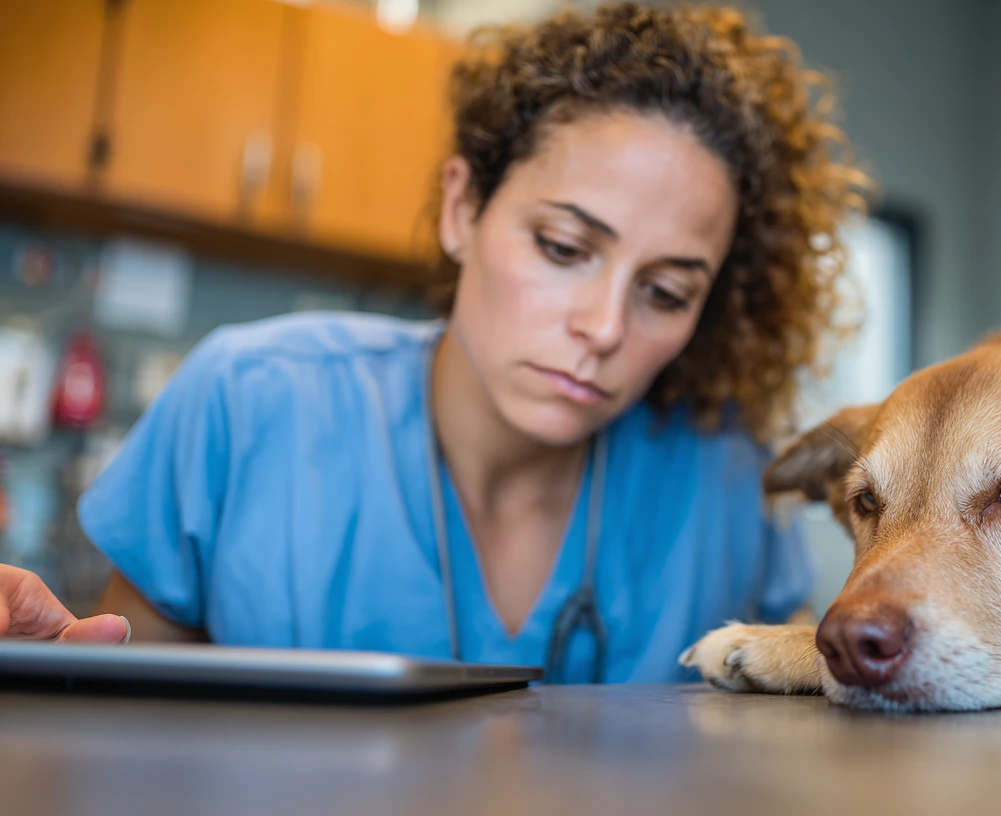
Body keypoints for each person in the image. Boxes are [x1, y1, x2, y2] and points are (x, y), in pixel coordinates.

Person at [0, 3, 870, 682]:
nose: (603, 328)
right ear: (463, 208)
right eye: (564, 249)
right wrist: (49, 674)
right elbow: (120, 736)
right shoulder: (249, 402)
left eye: (666, 291)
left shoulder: (726, 480)